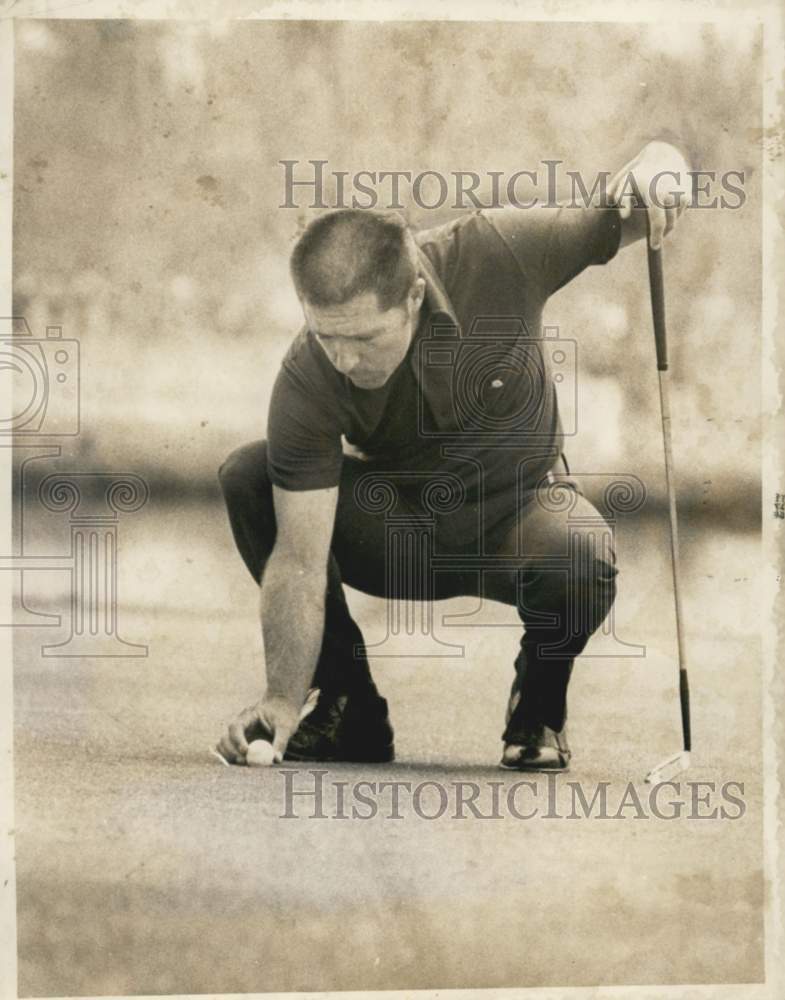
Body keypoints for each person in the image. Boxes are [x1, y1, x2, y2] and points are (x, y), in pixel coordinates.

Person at [216, 141, 689, 771]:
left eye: (363, 337)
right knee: (249, 473)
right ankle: (347, 707)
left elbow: (627, 205)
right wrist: (280, 697)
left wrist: (664, 169)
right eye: (325, 335)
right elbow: (300, 562)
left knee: (583, 549)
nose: (343, 360)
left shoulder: (501, 249)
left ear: (412, 297)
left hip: (519, 517)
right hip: (400, 531)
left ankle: (537, 709)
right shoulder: (308, 376)